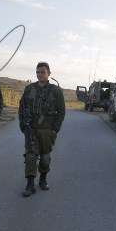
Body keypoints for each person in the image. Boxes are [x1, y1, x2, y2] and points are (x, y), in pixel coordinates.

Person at [19, 62, 66, 196]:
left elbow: (61, 112)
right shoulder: (29, 89)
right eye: (38, 72)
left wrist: (54, 130)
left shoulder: (56, 91)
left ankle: (43, 180)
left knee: (45, 158)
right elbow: (22, 108)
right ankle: (29, 184)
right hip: (31, 129)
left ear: (49, 74)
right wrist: (23, 125)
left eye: (42, 72)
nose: (40, 74)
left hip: (47, 130)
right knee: (30, 157)